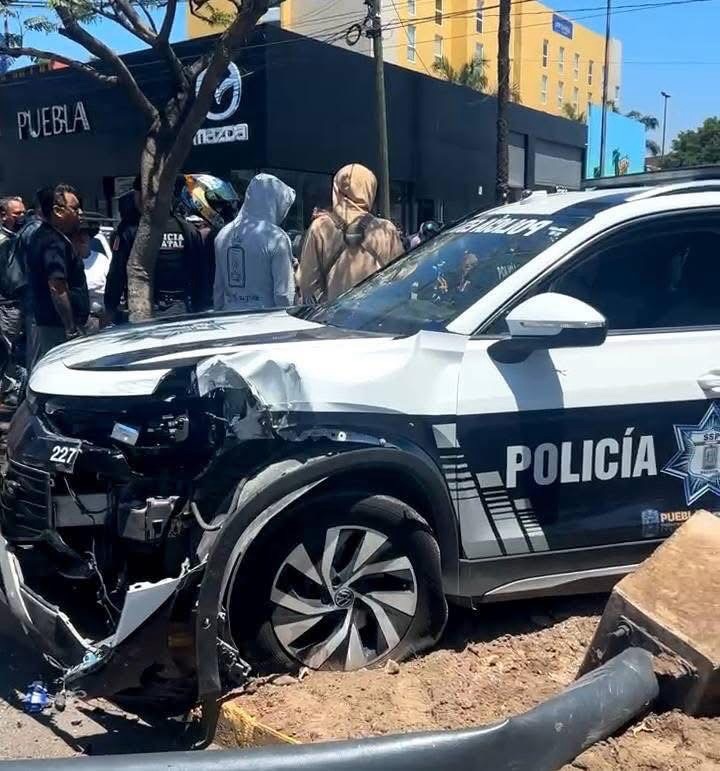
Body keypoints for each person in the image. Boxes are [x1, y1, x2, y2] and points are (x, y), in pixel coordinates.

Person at [297, 164, 404, 303]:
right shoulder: (386, 229)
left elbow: (307, 282)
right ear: (370, 190)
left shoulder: (320, 226)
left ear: (337, 189)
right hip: (375, 316)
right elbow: (400, 276)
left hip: (334, 315)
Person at [25, 184, 89, 369]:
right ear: (58, 211)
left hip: (51, 324)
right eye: (75, 208)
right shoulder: (53, 242)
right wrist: (70, 328)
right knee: (57, 376)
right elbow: (57, 286)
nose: (81, 213)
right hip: (56, 328)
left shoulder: (51, 237)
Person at [213, 173, 296, 312]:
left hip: (229, 319)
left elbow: (218, 289)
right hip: (264, 324)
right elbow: (283, 295)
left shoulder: (223, 234)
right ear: (274, 202)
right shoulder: (276, 237)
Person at [0, 196, 27, 402]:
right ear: (3, 216)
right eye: (17, 213)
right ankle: (9, 389)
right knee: (8, 349)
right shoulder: (3, 242)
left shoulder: (23, 237)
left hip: (23, 304)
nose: (22, 217)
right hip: (7, 305)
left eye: (23, 212)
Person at [73, 214, 111, 330]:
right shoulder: (70, 262)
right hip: (83, 319)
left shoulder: (102, 259)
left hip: (104, 317)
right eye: (78, 235)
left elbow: (111, 286)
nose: (82, 238)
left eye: (85, 234)